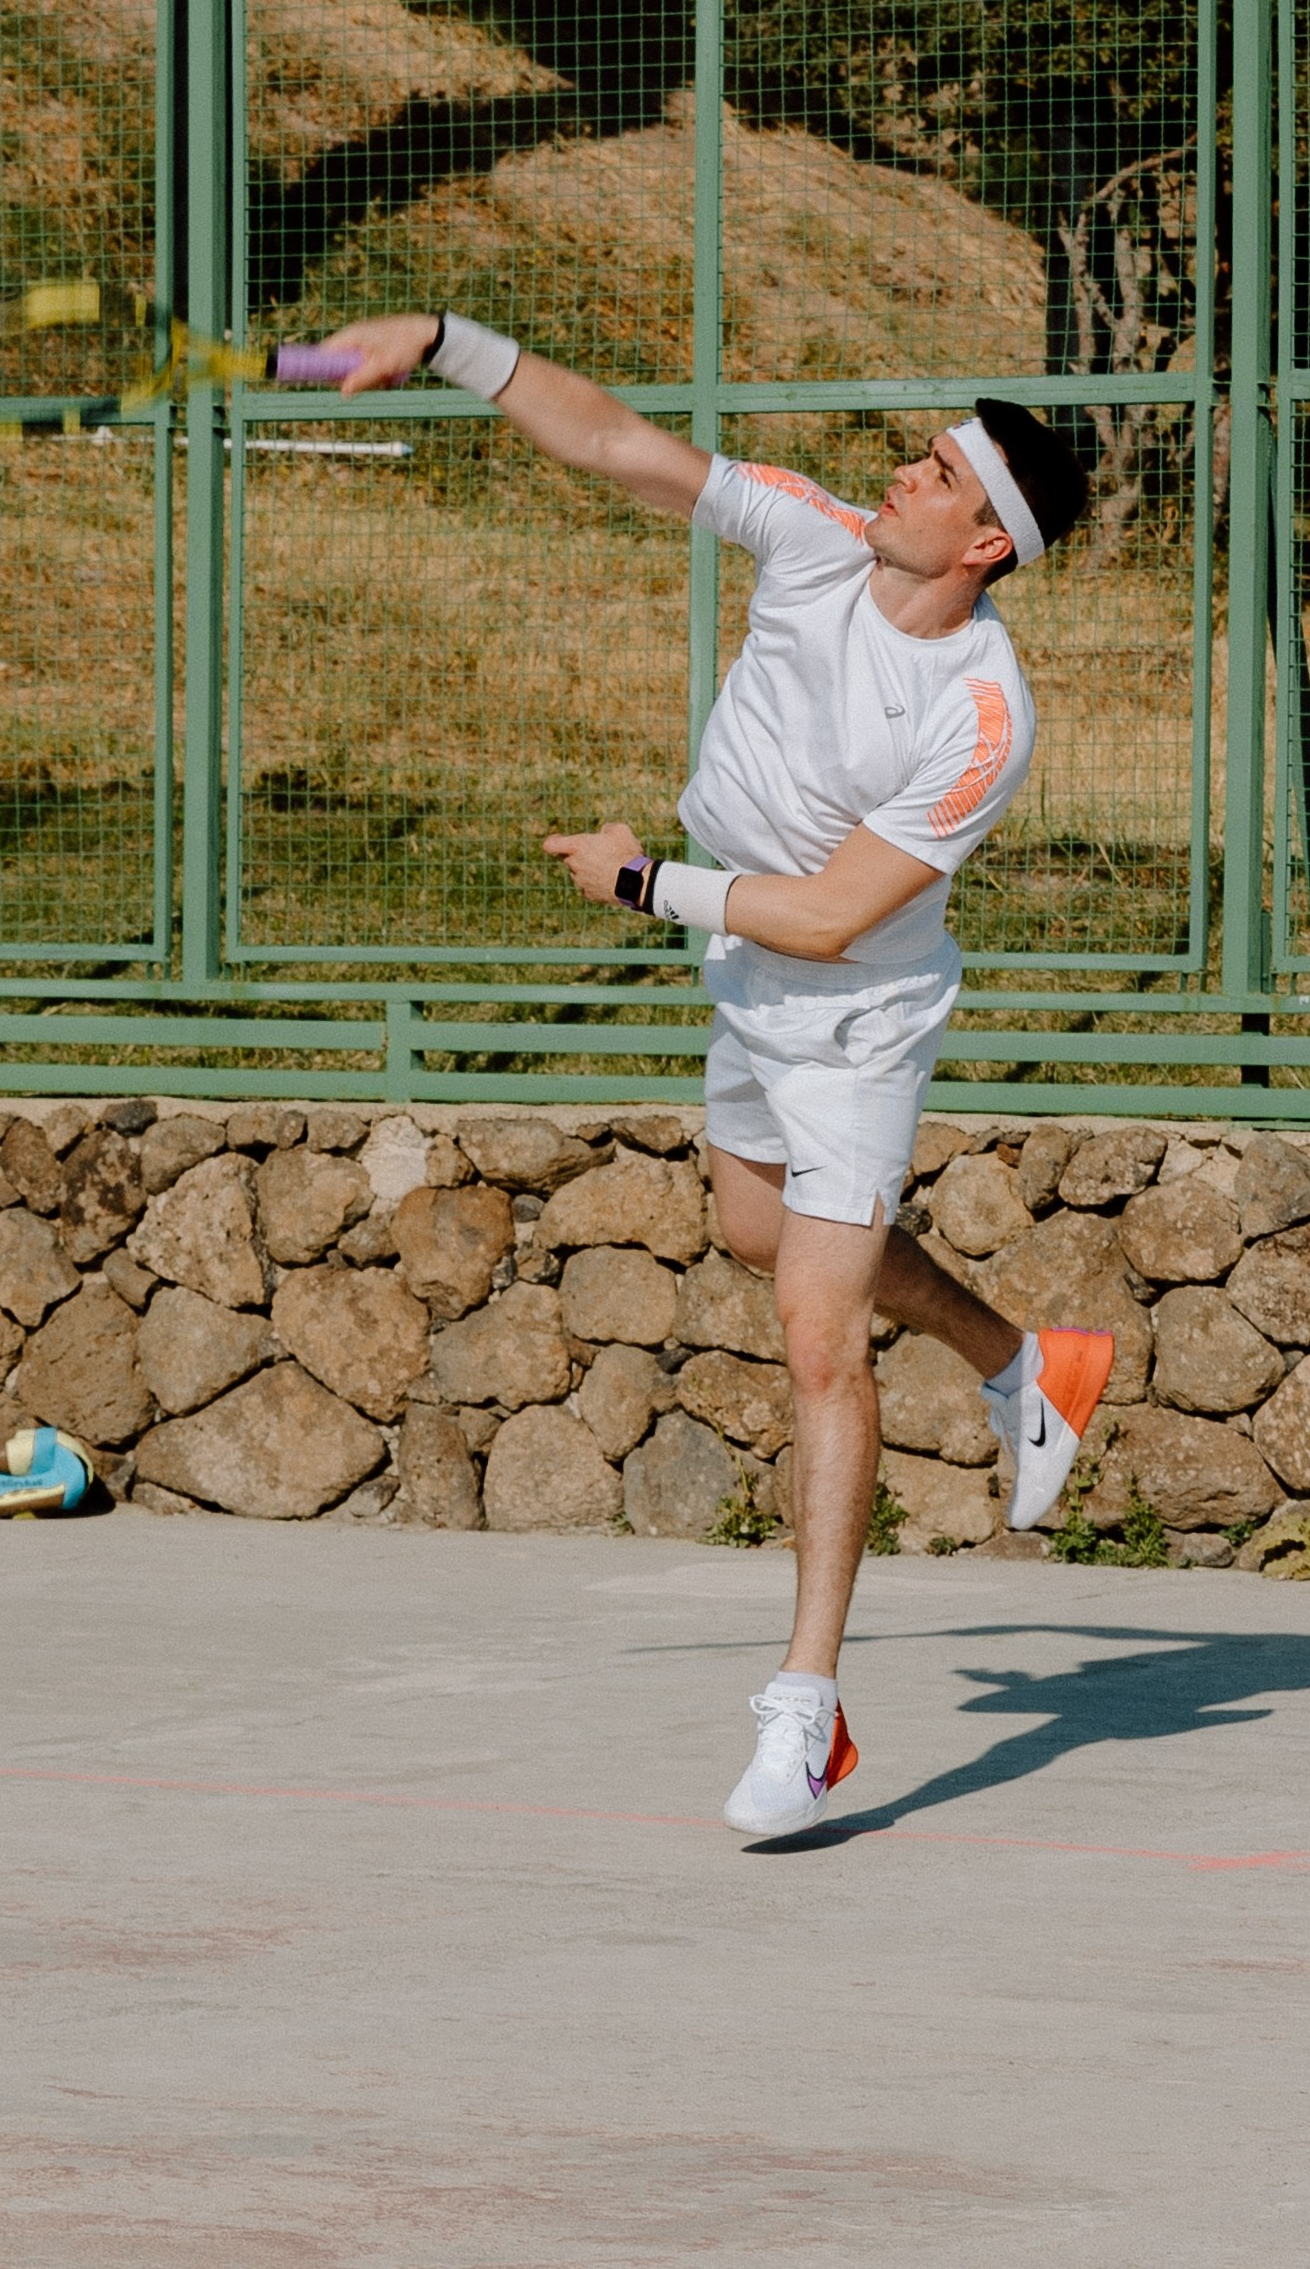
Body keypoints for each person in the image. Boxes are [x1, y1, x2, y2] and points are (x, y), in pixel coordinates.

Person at [319, 307, 1116, 1842]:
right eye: (917, 450)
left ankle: (806, 1712)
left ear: (984, 543)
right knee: (762, 1232)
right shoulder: (819, 536)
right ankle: (1029, 1364)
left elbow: (832, 915)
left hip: (856, 1015)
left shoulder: (982, 713)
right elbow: (620, 444)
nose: (900, 470)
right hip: (747, 974)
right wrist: (441, 342)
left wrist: (643, 883)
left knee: (818, 1333)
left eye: (936, 467)